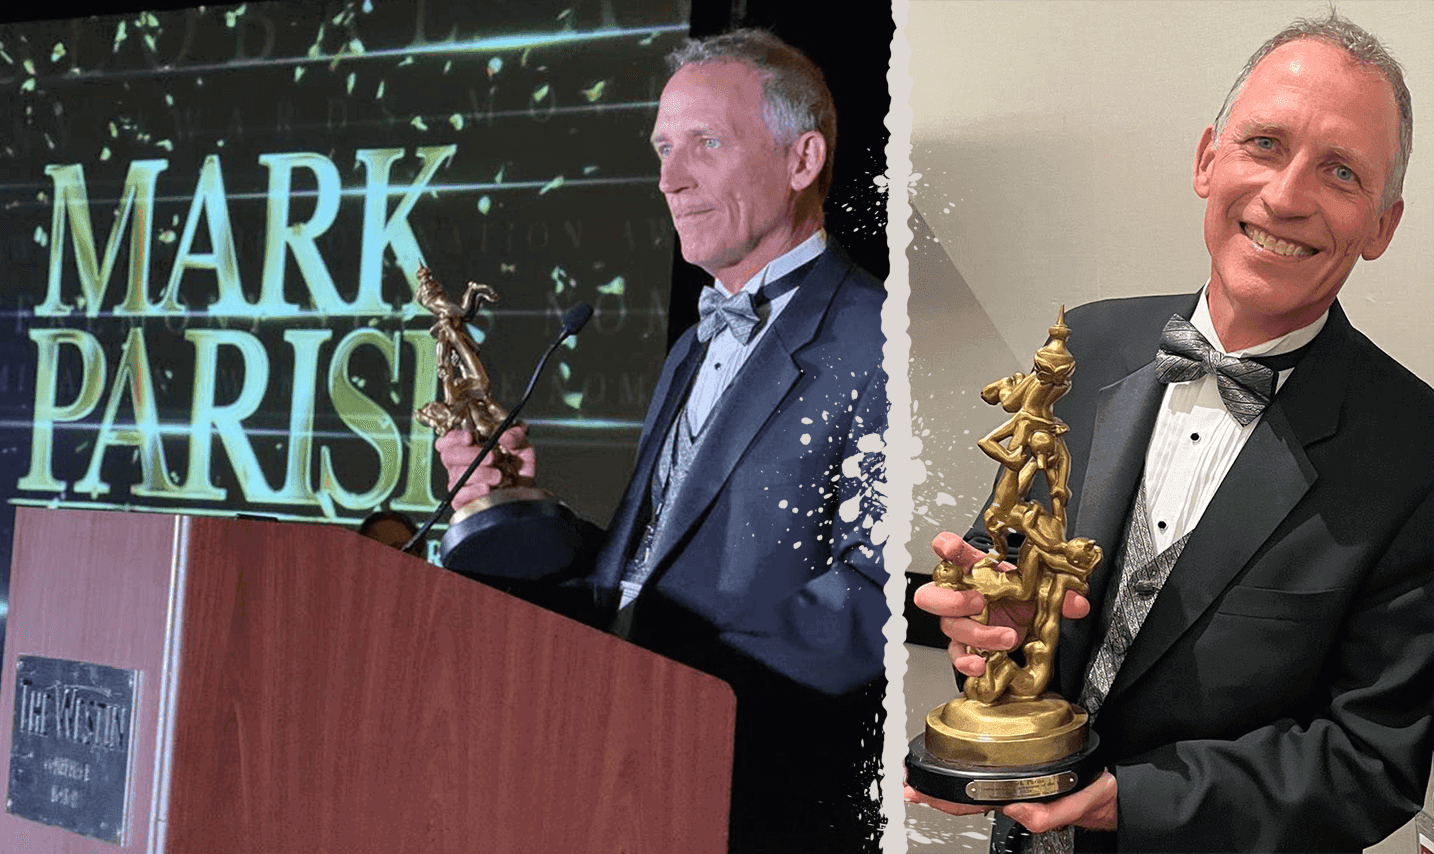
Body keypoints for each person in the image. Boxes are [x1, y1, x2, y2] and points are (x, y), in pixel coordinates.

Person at [907, 12, 1432, 853]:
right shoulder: (1082, 342)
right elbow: (1009, 547)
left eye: (1340, 171)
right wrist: (980, 608)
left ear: (1382, 225)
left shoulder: (1415, 452)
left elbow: (1370, 763)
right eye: (1264, 143)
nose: (1288, 196)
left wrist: (1126, 802)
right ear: (1207, 159)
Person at [439, 29, 887, 852]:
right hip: (621, 780)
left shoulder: (875, 340)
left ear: (803, 158)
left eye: (705, 144)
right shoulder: (692, 345)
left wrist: (677, 692)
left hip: (756, 797)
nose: (670, 180)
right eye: (662, 148)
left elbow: (877, 592)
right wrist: (523, 511)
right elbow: (655, 568)